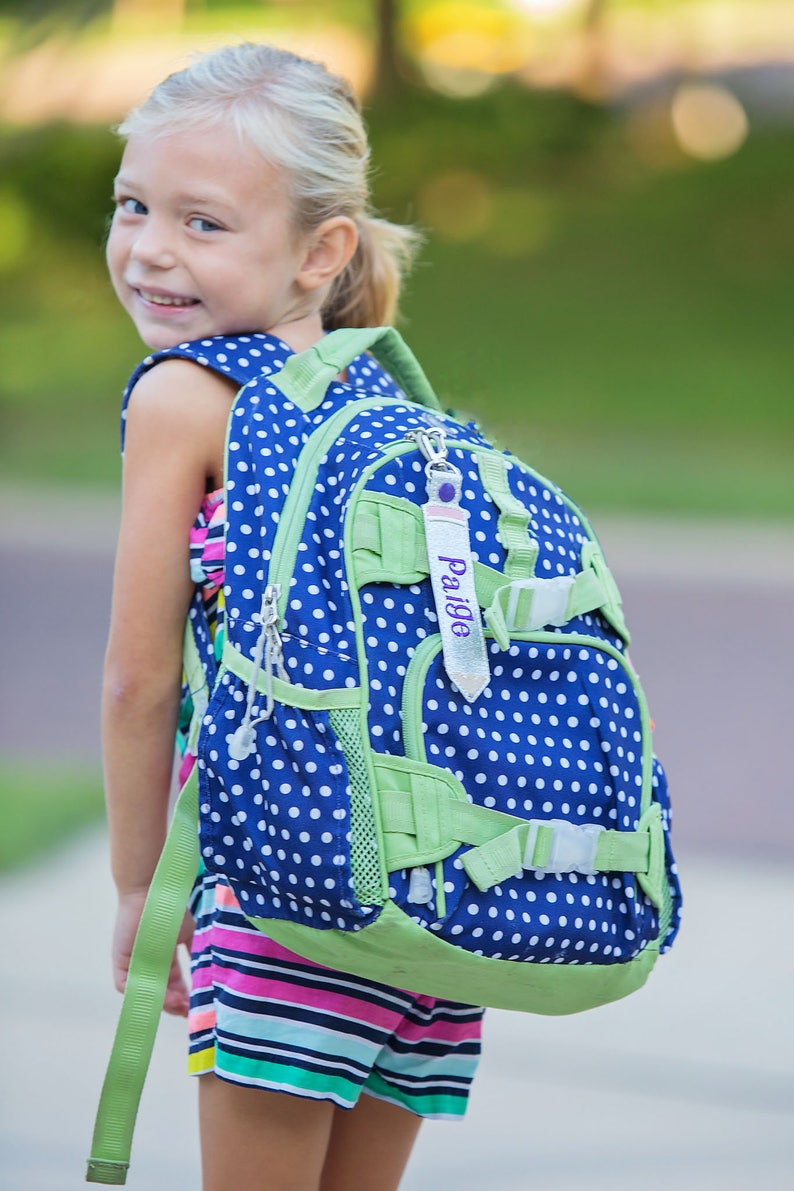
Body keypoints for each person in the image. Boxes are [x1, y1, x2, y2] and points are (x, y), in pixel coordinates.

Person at [102, 42, 483, 1191]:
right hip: (428, 894)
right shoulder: (386, 393)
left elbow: (137, 681)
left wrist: (135, 891)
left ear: (321, 252)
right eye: (132, 206)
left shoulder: (187, 395)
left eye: (203, 223)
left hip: (284, 894)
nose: (150, 249)